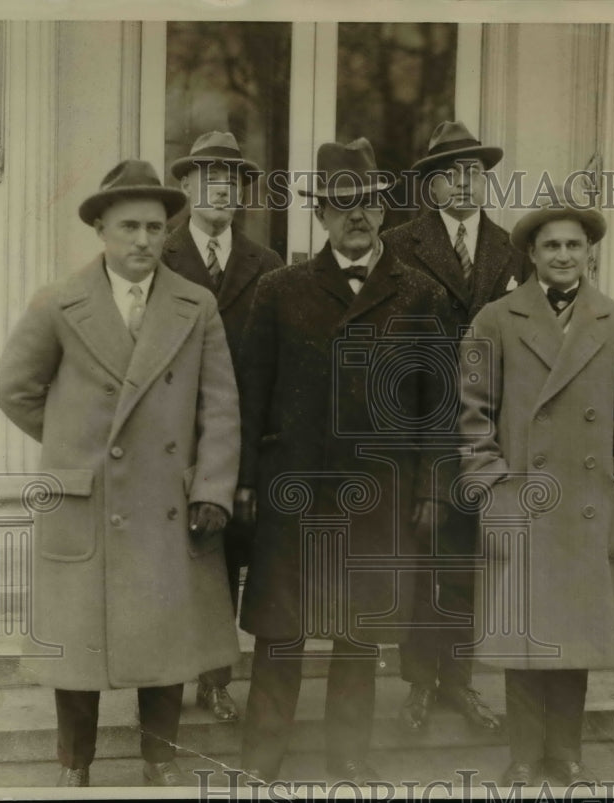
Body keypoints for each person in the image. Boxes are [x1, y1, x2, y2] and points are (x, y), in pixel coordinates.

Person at [0, 160, 242, 787]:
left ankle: (160, 761)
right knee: (78, 649)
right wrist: (79, 450)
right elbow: (15, 389)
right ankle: (75, 766)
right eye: (129, 226)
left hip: (167, 500)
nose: (143, 241)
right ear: (101, 229)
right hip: (89, 502)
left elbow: (220, 406)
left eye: (155, 228)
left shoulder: (196, 304)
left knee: (167, 646)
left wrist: (212, 488)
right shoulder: (58, 302)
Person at [235, 138, 451, 784]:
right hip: (293, 491)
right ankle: (259, 761)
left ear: (384, 211)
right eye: (343, 203)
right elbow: (252, 394)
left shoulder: (419, 295)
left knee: (359, 634)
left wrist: (433, 488)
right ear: (321, 213)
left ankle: (349, 760)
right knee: (281, 634)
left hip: (379, 494)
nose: (358, 215)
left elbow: (438, 404)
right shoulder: (279, 289)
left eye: (369, 202)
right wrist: (245, 481)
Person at [458, 193, 614, 787]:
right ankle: (524, 754)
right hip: (519, 500)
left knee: (574, 637)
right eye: (552, 245)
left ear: (589, 253)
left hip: (587, 504)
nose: (565, 254)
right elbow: (473, 414)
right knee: (523, 637)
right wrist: (492, 486)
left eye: (575, 244)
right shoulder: (496, 318)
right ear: (532, 254)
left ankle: (566, 754)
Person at [381, 120, 530, 734]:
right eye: (451, 173)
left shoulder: (515, 249)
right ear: (431, 185)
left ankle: (460, 681)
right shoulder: (398, 244)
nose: (464, 183)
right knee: (423, 556)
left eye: (475, 172)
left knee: (473, 559)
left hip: (490, 431)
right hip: (422, 429)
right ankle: (419, 682)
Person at [163, 130, 283, 722]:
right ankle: (168, 677)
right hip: (175, 438)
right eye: (207, 174)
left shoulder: (268, 266)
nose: (221, 186)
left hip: (247, 436)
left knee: (236, 558)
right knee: (186, 562)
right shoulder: (159, 257)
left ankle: (218, 679)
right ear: (184, 186)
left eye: (232, 178)